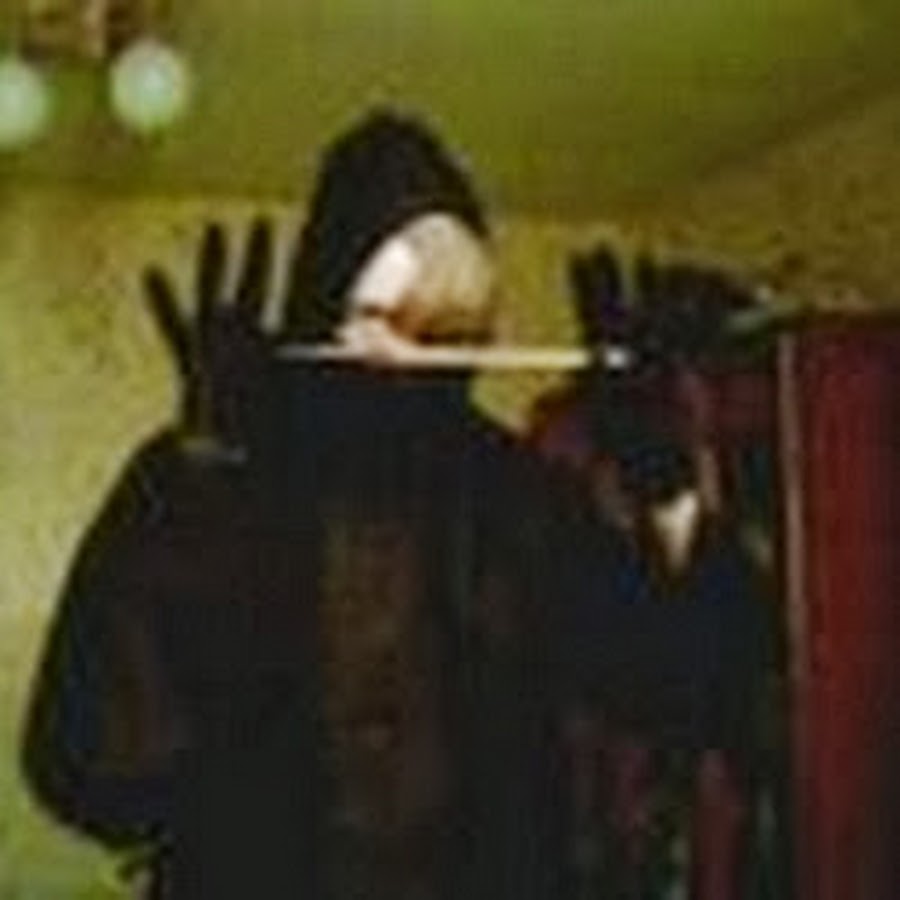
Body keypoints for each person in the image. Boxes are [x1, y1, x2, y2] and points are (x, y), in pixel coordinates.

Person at [21, 109, 579, 900]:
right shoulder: (209, 472)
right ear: (328, 288)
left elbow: (673, 695)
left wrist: (668, 498)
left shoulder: (514, 491)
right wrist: (201, 490)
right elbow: (90, 777)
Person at [561, 423, 770, 900]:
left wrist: (717, 748)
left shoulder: (718, 551)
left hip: (713, 736)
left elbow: (735, 654)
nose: (597, 496)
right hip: (664, 738)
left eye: (605, 483)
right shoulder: (633, 556)